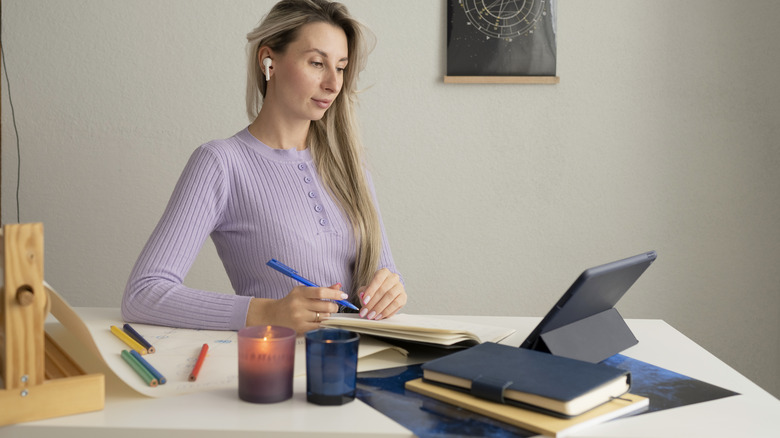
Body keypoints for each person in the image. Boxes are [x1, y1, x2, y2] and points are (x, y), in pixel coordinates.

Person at [121, 0, 406, 334]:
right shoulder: (221, 164)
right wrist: (268, 311)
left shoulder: (351, 166)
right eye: (317, 63)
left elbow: (382, 276)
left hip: (361, 363)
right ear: (268, 60)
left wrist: (390, 291)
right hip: (279, 369)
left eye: (341, 67)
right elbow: (143, 294)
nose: (333, 83)